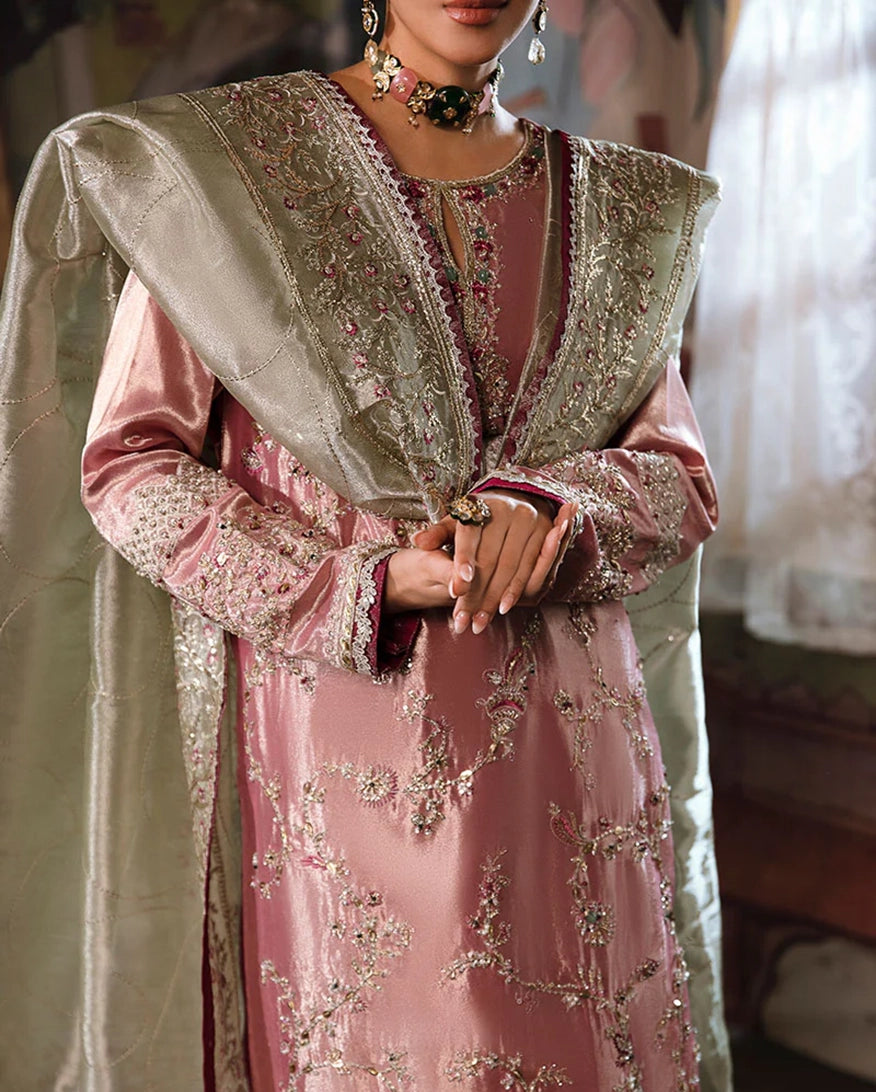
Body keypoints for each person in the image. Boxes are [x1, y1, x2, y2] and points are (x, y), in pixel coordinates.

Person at [0, 1, 725, 1088]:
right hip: (354, 741)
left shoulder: (625, 207)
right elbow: (131, 465)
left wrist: (553, 507)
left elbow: (678, 474)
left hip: (578, 758)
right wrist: (358, 584)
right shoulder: (227, 176)